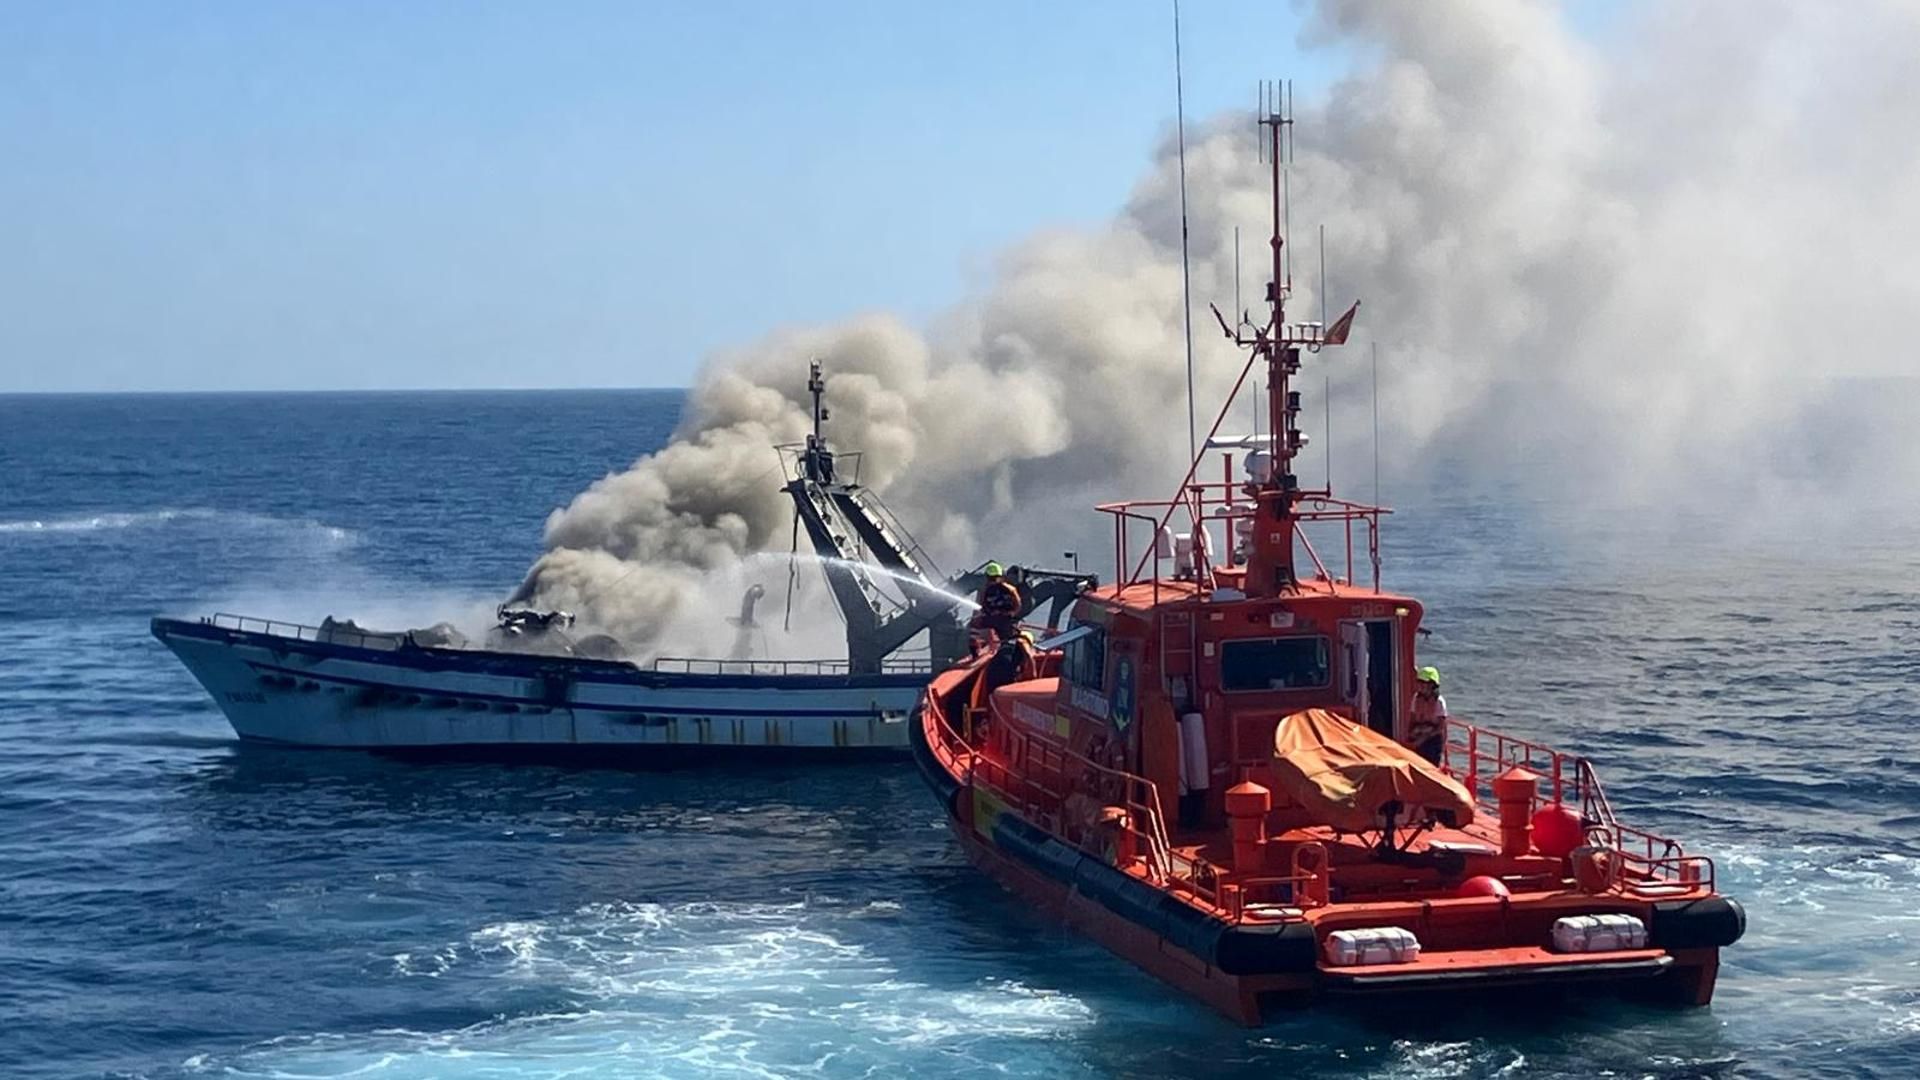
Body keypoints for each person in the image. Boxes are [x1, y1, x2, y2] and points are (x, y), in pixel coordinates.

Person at [967, 561, 1022, 651]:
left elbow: (1017, 604)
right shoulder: (990, 590)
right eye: (991, 578)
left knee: (974, 625)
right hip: (996, 619)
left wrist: (1009, 614)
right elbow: (1018, 605)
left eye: (993, 578)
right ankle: (976, 649)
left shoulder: (1007, 590)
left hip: (1003, 620)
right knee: (974, 626)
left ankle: (1004, 650)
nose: (992, 580)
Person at [1408, 666, 1449, 764]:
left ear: (1432, 685)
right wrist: (1410, 735)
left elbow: (1441, 727)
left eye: (1424, 683)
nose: (1421, 686)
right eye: (1419, 682)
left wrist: (1423, 739)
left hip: (1432, 741)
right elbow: (1412, 719)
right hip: (1418, 738)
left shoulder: (1439, 701)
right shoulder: (1416, 698)